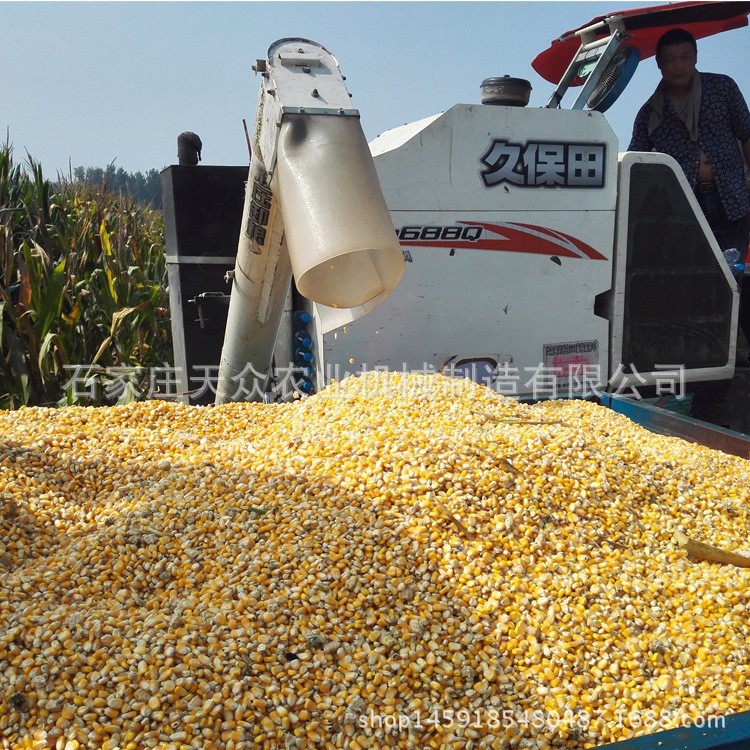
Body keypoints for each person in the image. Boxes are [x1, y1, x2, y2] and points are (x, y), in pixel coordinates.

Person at [628, 28, 750, 365]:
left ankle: (734, 354)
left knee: (732, 276)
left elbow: (746, 134)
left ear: (695, 58)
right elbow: (636, 162)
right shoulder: (650, 113)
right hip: (685, 211)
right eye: (670, 60)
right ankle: (706, 354)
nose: (679, 66)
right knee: (694, 280)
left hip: (732, 200)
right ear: (660, 65)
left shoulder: (722, 88)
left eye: (685, 57)